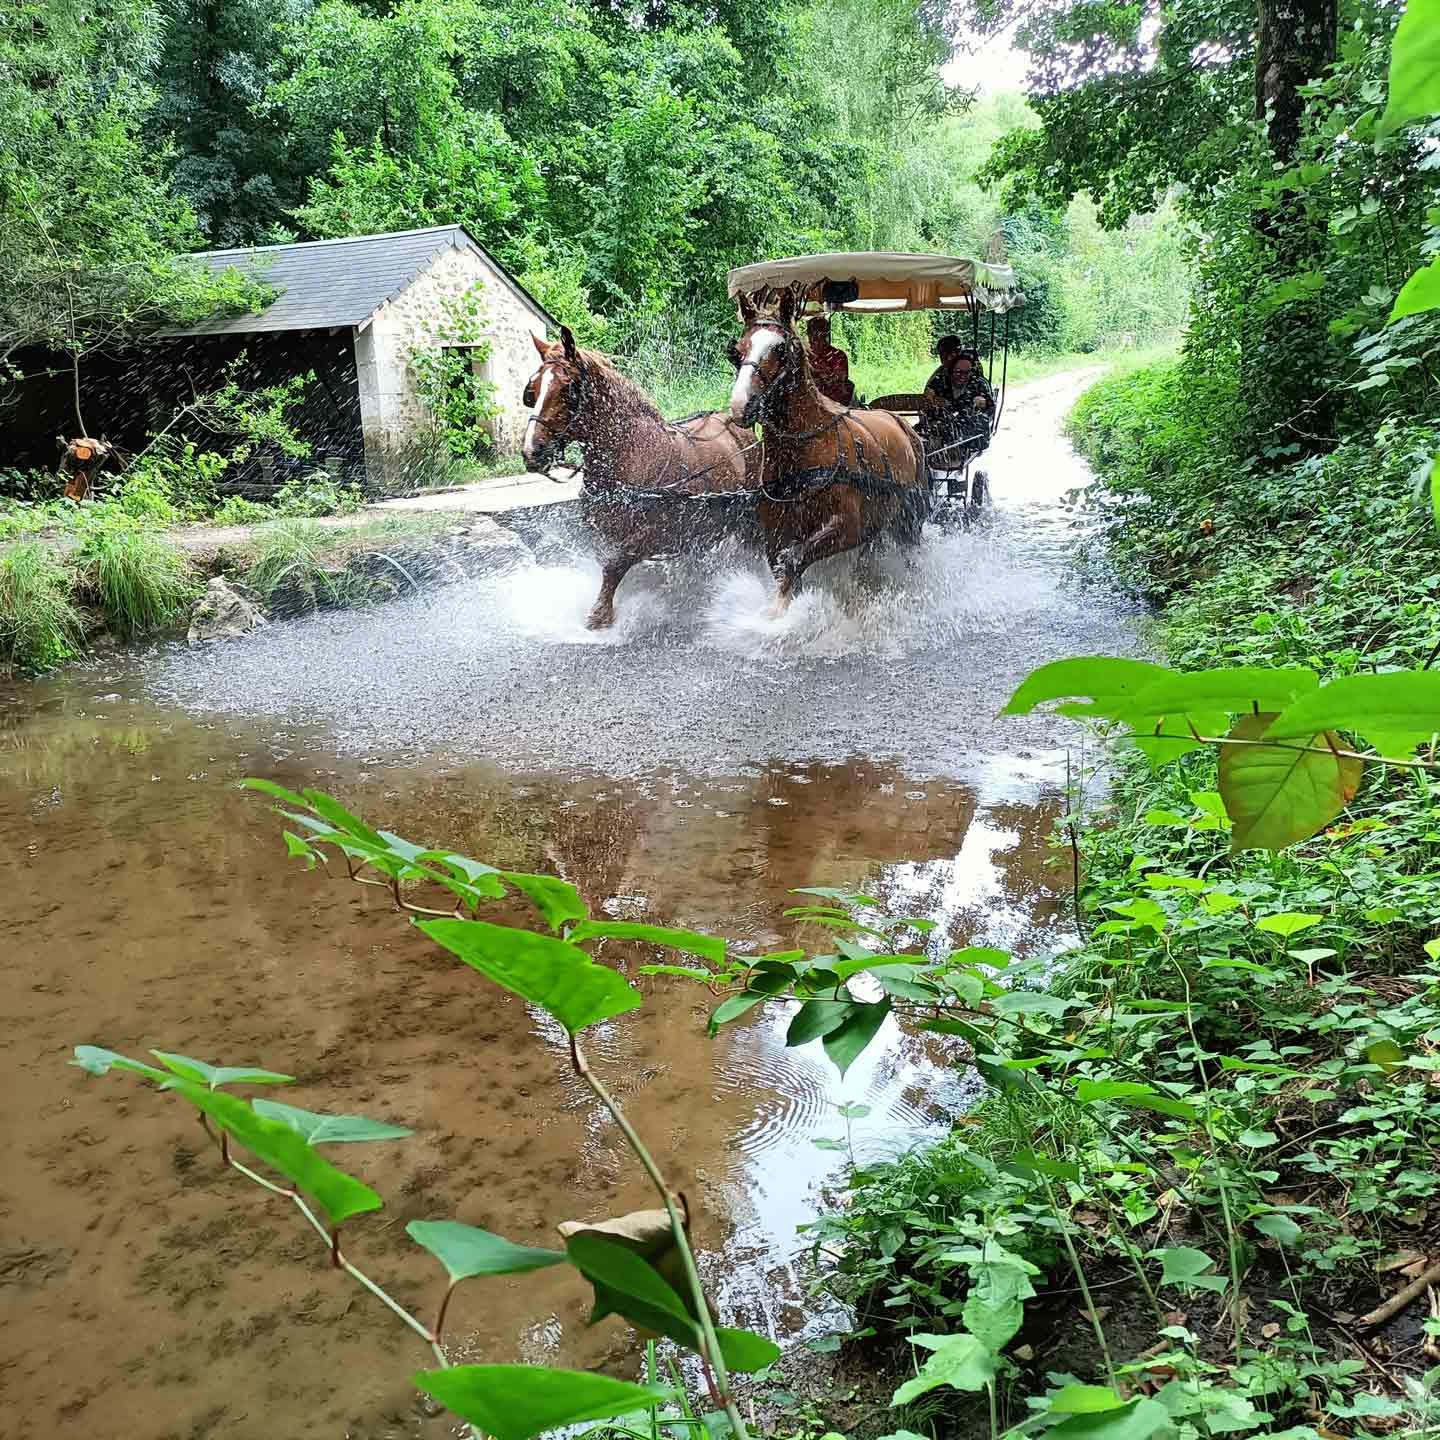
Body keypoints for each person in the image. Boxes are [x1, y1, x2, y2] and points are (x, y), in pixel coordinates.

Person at [921, 336, 994, 468]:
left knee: (957, 428)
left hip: (964, 428)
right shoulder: (939, 378)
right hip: (941, 424)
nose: (947, 358)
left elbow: (988, 406)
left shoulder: (975, 378)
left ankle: (947, 450)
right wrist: (930, 397)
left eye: (951, 354)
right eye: (943, 355)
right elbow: (927, 397)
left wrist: (981, 403)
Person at [806, 315, 855, 406]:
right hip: (809, 401)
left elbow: (841, 379)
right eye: (814, 335)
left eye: (823, 335)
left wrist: (823, 371)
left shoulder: (838, 355)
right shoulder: (804, 355)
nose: (818, 339)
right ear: (809, 335)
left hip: (834, 404)